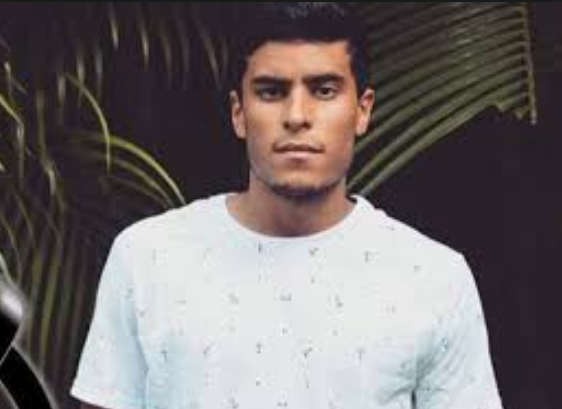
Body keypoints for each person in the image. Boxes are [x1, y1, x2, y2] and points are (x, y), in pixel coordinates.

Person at [70, 3, 504, 409]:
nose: (297, 115)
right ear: (238, 113)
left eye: (324, 90)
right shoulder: (148, 258)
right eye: (272, 91)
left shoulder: (432, 278)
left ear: (362, 110)